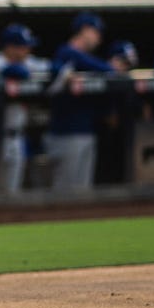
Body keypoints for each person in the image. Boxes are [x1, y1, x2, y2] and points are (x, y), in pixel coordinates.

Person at [47, 12, 127, 191]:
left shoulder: (88, 59)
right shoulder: (66, 52)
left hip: (85, 131)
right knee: (65, 192)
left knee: (83, 192)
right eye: (95, 32)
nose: (99, 37)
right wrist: (111, 67)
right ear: (83, 30)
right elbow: (106, 69)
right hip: (65, 134)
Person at [0, 24, 50, 194]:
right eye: (23, 47)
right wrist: (30, 72)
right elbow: (13, 71)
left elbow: (54, 68)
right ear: (10, 47)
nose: (27, 51)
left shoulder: (28, 62)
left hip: (16, 136)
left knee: (11, 193)